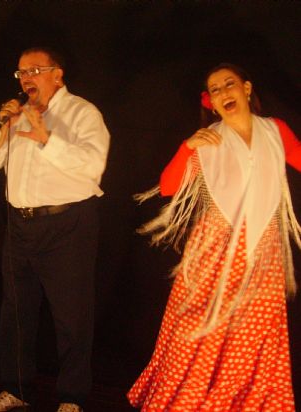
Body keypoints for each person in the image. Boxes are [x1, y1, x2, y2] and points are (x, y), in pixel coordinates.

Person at [128, 63, 301, 410]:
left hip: (262, 250)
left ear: (247, 88)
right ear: (211, 102)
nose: (224, 92)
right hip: (215, 248)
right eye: (216, 89)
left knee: (251, 336)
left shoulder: (274, 130)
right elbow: (168, 186)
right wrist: (187, 146)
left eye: (229, 84)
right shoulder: (209, 139)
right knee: (199, 330)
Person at [0, 47, 110, 412]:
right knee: (16, 312)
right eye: (21, 72)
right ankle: (16, 389)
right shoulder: (17, 114)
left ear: (58, 74)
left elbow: (92, 166)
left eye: (36, 70)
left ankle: (72, 397)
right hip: (20, 224)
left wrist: (48, 140)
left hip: (67, 225)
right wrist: (5, 128)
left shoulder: (83, 113)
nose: (26, 78)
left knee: (72, 316)